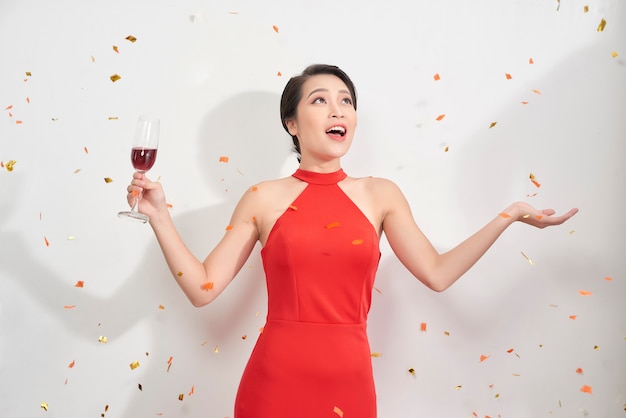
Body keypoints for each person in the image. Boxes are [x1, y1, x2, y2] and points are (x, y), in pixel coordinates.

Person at [125, 64, 578, 418]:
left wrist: (508, 216)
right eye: (320, 101)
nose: (337, 110)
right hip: (274, 385)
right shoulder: (262, 198)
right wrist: (160, 217)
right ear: (292, 124)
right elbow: (203, 288)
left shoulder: (380, 194)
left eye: (346, 101)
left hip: (350, 385)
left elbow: (438, 275)